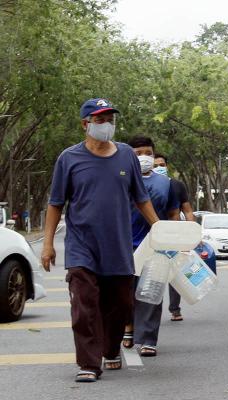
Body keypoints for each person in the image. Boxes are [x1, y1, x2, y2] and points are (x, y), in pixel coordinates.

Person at [41, 98, 160, 383]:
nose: (106, 124)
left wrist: (160, 229)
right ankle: (88, 364)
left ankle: (110, 349)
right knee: (84, 305)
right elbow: (56, 203)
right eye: (99, 120)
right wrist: (47, 244)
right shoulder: (69, 158)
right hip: (81, 245)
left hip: (118, 246)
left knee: (121, 305)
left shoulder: (126, 155)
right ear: (86, 124)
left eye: (109, 119)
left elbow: (141, 197)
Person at [124, 137, 180, 357]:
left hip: (156, 247)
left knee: (151, 293)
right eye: (137, 153)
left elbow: (173, 213)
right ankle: (128, 327)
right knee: (124, 294)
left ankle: (148, 339)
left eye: (148, 153)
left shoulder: (166, 183)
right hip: (123, 246)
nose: (143, 157)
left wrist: (173, 240)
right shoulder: (120, 179)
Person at [153, 153, 193, 321]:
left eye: (162, 165)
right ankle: (150, 309)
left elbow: (187, 210)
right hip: (152, 236)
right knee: (153, 274)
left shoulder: (177, 185)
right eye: (155, 166)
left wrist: (192, 232)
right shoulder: (142, 184)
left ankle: (175, 309)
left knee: (175, 273)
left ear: (167, 166)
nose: (159, 168)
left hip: (174, 235)